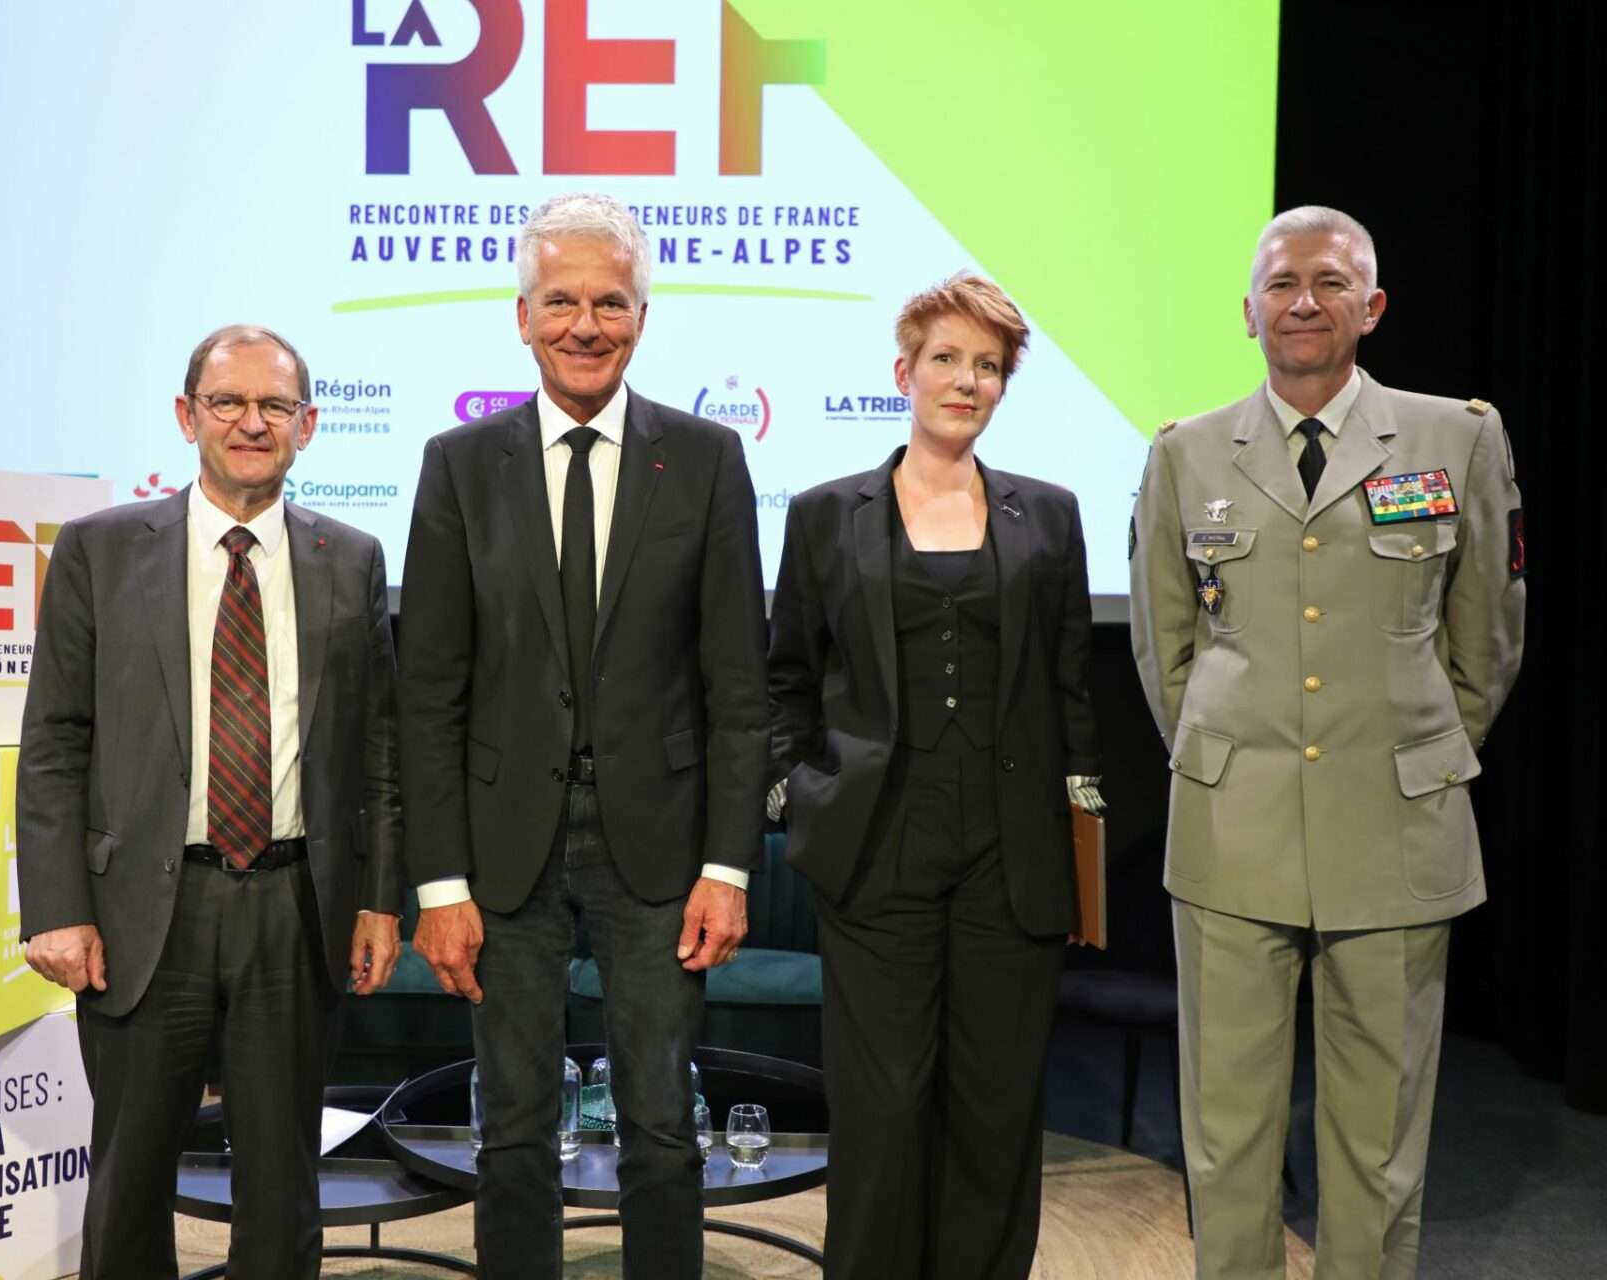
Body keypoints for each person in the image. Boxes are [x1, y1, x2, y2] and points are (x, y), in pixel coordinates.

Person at [1129, 206, 1526, 1279]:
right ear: (1248, 307)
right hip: (1230, 828)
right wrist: (1224, 748)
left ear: (1373, 305)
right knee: (1226, 1133)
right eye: (1283, 281)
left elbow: (1485, 637)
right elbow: (1168, 647)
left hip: (1396, 825)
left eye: (1332, 281)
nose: (1305, 299)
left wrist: (1418, 750)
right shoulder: (1186, 450)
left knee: (1380, 1140)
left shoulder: (1458, 437)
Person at [396, 192, 768, 1279]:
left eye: (611, 301)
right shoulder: (459, 464)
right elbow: (429, 692)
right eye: (561, 300)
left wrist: (729, 863)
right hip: (501, 851)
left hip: (661, 850)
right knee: (511, 1123)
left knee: (661, 1121)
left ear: (642, 318)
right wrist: (438, 882)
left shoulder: (704, 458)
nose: (586, 323)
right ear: (521, 316)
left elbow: (739, 686)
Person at [15, 324, 404, 1280]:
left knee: (283, 1189)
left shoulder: (349, 557)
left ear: (308, 426)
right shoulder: (101, 550)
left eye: (274, 406)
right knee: (132, 1179)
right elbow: (54, 740)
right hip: (146, 911)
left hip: (293, 908)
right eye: (227, 402)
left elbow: (382, 752)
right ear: (187, 416)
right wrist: (58, 909)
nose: (251, 422)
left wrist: (379, 898)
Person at [767, 272, 1103, 1279]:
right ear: (904, 372)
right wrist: (794, 795)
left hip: (1014, 857)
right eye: (947, 359)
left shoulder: (1048, 513)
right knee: (882, 1108)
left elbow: (1073, 692)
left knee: (996, 1106)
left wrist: (1083, 843)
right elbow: (784, 676)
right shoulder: (830, 513)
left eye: (988, 365)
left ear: (1004, 385)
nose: (966, 380)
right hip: (875, 853)